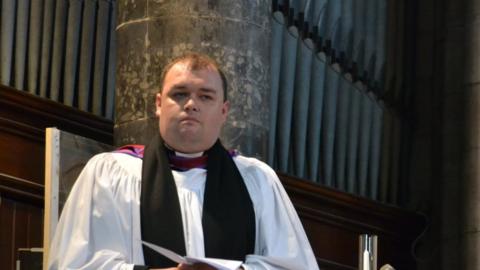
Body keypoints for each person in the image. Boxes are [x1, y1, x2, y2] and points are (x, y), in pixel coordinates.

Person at [48, 53, 319, 270]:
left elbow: (293, 265)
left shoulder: (257, 181)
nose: (191, 104)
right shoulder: (108, 174)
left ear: (224, 111)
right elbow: (75, 264)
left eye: (205, 96)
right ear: (158, 104)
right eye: (179, 94)